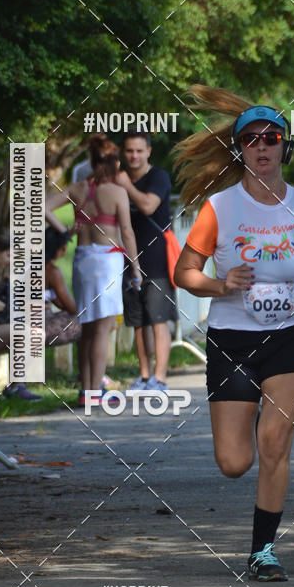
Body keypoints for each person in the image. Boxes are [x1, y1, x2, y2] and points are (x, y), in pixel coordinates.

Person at [173, 85, 294, 581]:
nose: (261, 148)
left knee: (274, 443)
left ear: (285, 148)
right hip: (232, 340)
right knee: (233, 461)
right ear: (239, 149)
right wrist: (220, 284)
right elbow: (184, 274)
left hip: (290, 336)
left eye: (271, 139)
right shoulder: (220, 209)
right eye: (251, 140)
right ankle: (257, 533)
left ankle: (263, 551)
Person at [46, 135, 141, 406]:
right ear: (116, 163)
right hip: (107, 260)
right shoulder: (117, 192)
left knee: (86, 327)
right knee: (103, 327)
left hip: (82, 259)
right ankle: (96, 392)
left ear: (91, 161)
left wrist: (64, 230)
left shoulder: (77, 188)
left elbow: (43, 206)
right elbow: (127, 232)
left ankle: (85, 391)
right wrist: (136, 268)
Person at [117, 131, 178, 393]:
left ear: (148, 152)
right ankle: (144, 376)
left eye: (139, 151)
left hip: (156, 259)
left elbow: (148, 206)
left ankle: (160, 378)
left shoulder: (158, 177)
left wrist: (125, 185)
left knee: (158, 319)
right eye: (130, 151)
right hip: (128, 259)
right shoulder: (116, 178)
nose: (134, 156)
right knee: (138, 322)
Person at [0, 234, 42, 399]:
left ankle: (16, 386)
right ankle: (16, 388)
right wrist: (13, 311)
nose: (10, 261)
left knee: (34, 335)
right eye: (8, 255)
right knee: (27, 333)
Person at [44, 227, 81, 347]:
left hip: (15, 318)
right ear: (62, 248)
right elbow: (72, 308)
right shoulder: (52, 271)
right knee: (88, 322)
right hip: (38, 324)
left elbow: (58, 302)